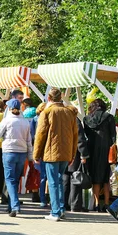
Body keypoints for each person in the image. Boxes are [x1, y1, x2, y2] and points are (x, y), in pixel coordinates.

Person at [34, 88, 78, 221]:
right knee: (59, 181)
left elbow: (40, 134)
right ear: (61, 98)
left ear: (49, 98)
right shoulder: (69, 112)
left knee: (53, 182)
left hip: (51, 152)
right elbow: (75, 135)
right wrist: (72, 154)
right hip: (65, 153)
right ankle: (61, 209)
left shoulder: (46, 112)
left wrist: (36, 154)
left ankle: (55, 212)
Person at [0, 99, 33, 216]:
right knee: (15, 180)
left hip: (9, 152)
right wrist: (30, 156)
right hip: (22, 152)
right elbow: (29, 140)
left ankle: (15, 206)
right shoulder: (25, 122)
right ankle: (11, 206)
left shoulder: (7, 121)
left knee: (10, 180)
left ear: (9, 109)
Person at [83, 99, 116, 212]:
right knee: (106, 178)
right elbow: (113, 136)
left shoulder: (86, 119)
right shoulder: (109, 117)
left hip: (92, 149)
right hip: (106, 149)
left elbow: (86, 134)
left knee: (95, 178)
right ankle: (106, 204)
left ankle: (96, 204)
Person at [62, 117, 90, 212]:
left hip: (62, 153)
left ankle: (63, 203)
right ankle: (75, 205)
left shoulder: (61, 119)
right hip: (74, 153)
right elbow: (80, 139)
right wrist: (83, 154)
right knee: (76, 179)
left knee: (65, 178)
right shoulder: (74, 120)